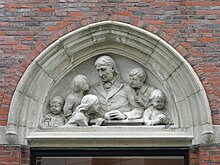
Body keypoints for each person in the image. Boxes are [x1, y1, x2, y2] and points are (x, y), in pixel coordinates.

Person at [89, 55, 143, 120]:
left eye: (103, 69)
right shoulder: (93, 89)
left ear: (112, 68)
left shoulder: (126, 87)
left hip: (123, 128)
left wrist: (125, 115)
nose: (100, 74)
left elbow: (139, 110)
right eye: (98, 70)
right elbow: (86, 112)